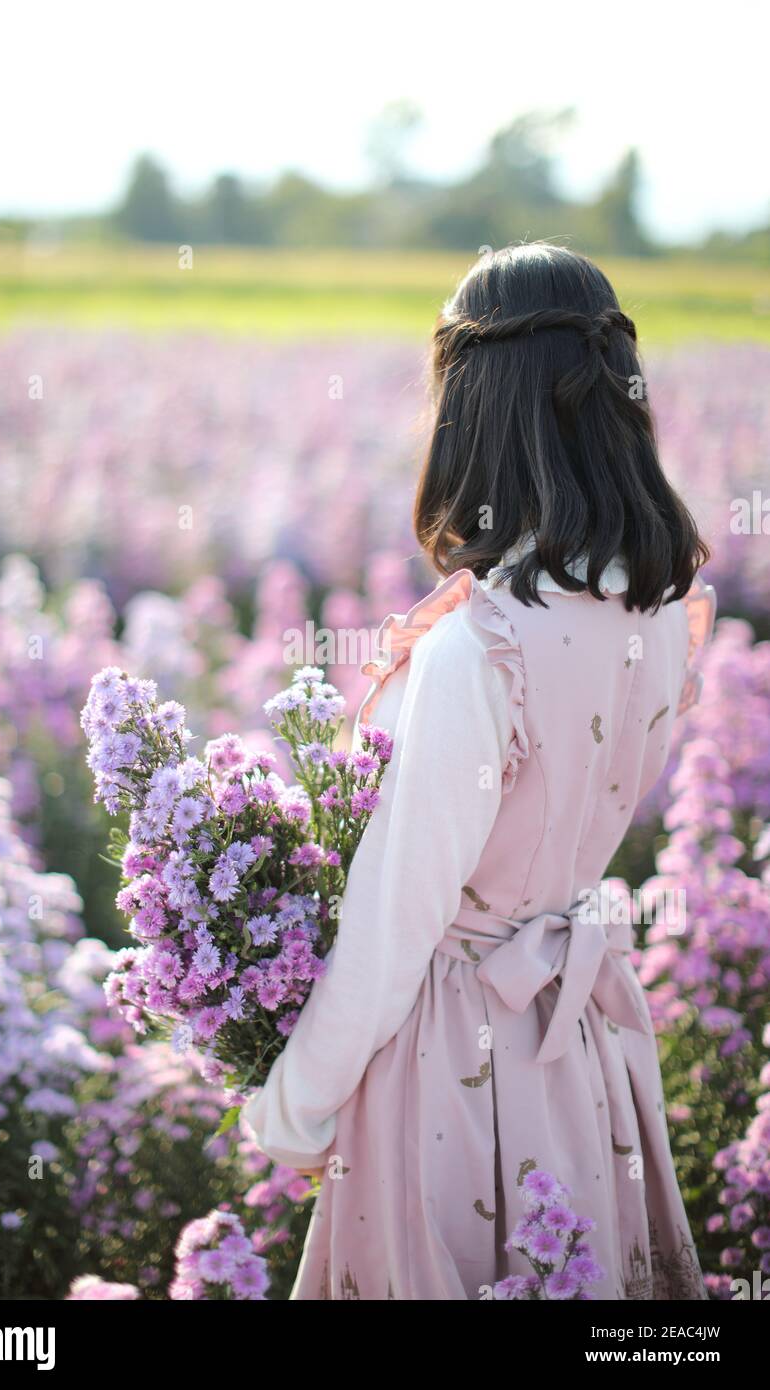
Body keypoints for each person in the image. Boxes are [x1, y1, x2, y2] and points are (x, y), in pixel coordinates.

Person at [243, 241, 715, 1301]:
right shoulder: (660, 612)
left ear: (475, 409)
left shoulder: (479, 648)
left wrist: (291, 1103)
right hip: (580, 1050)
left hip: (455, 1062)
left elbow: (394, 919)